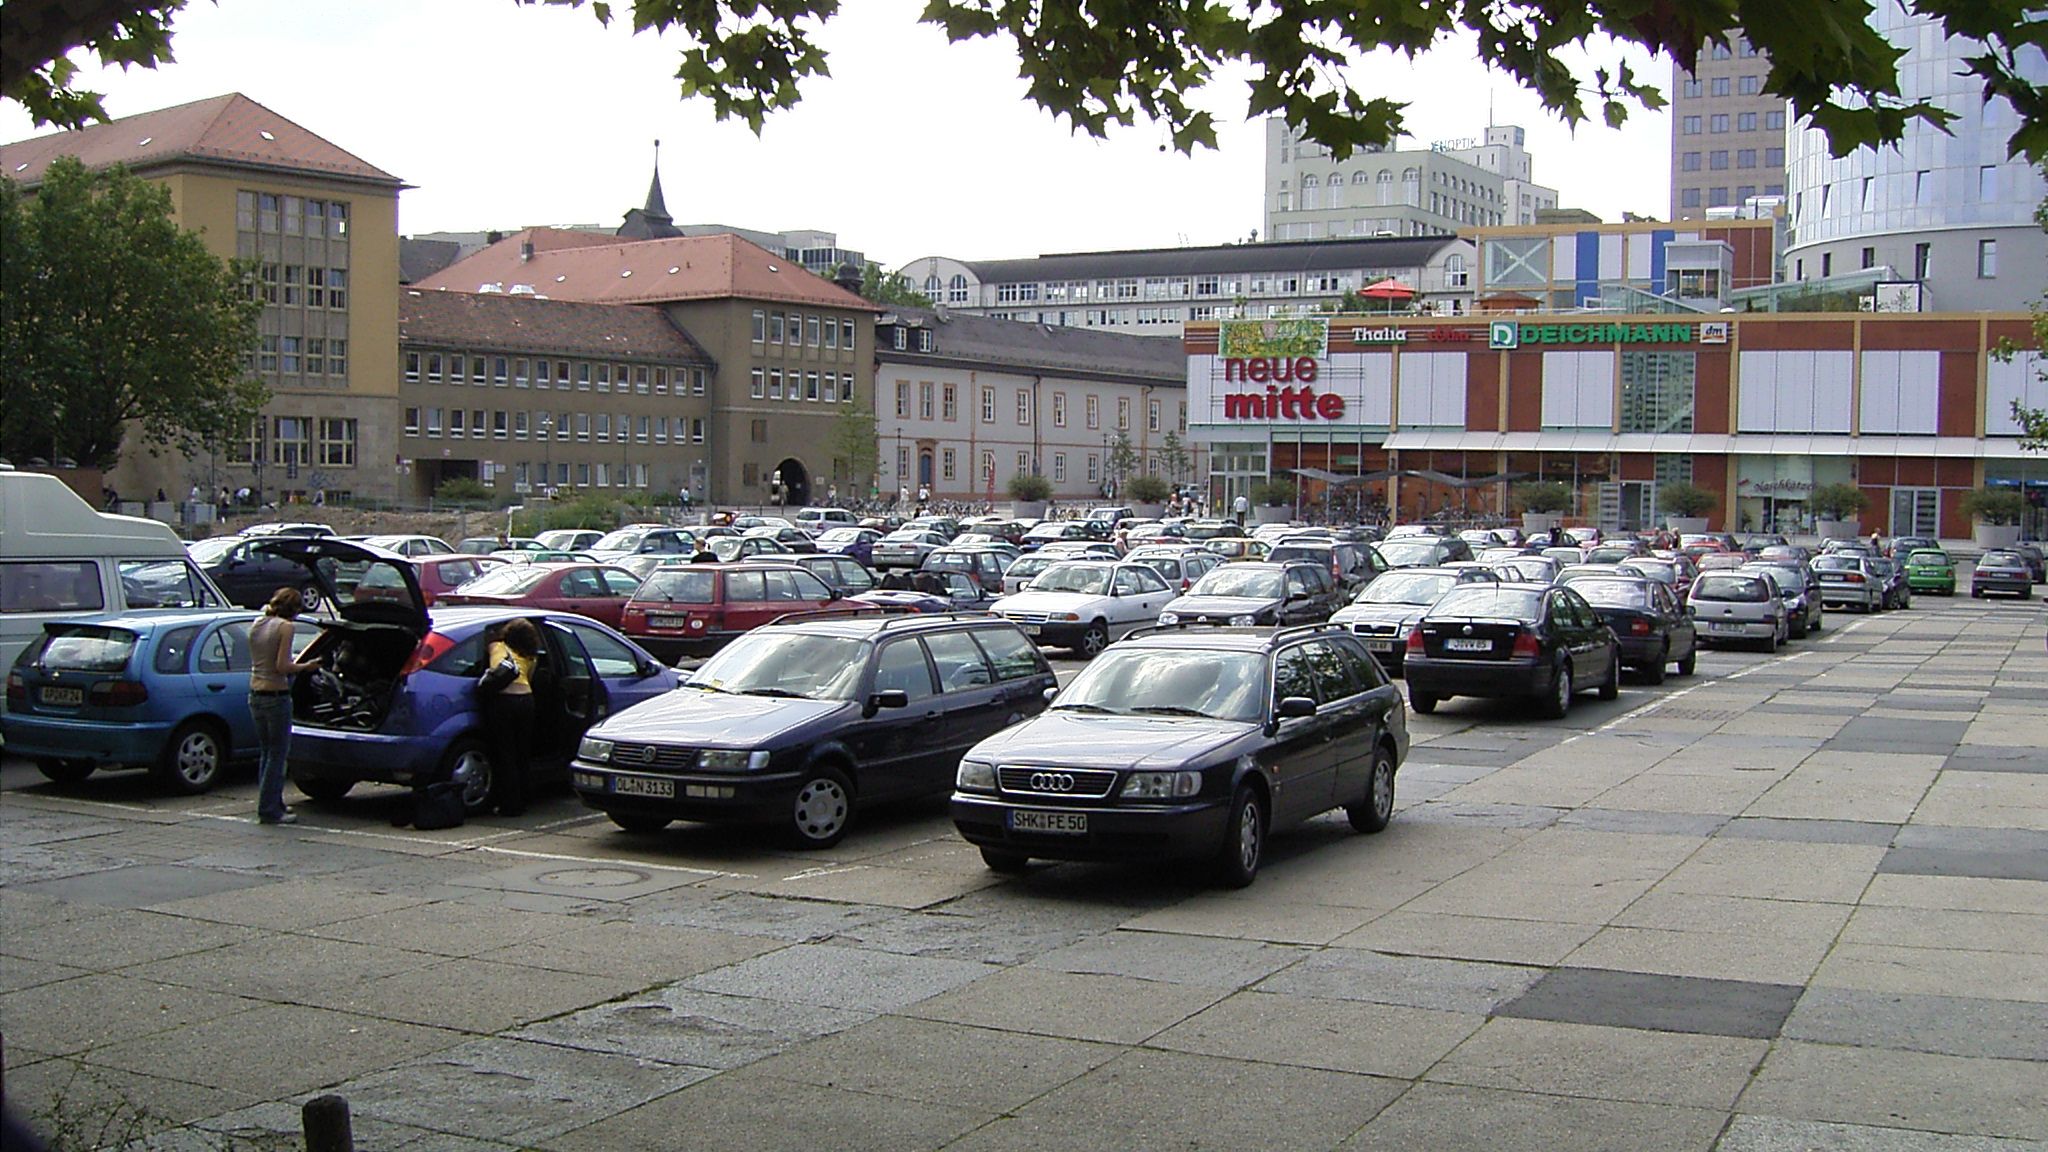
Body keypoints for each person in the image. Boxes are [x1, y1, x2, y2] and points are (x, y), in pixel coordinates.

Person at [249, 587, 318, 825]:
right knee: (278, 754)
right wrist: (306, 666)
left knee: (266, 752)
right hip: (276, 694)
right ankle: (269, 809)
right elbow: (282, 666)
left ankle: (270, 802)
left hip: (255, 694)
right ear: (295, 609)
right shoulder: (285, 627)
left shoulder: (258, 623)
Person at [482, 618, 541, 816]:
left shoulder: (498, 647)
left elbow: (494, 670)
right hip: (526, 700)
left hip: (504, 701)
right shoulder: (531, 655)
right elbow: (528, 678)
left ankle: (508, 804)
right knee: (522, 753)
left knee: (505, 753)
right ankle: (523, 800)